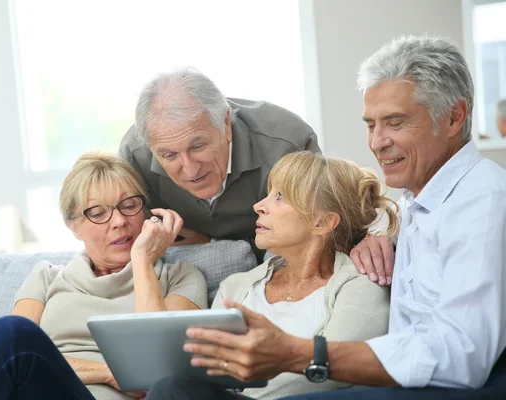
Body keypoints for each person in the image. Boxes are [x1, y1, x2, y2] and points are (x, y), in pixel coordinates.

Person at [146, 35, 506, 399]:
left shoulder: (483, 198)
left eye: (394, 123)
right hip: (402, 383)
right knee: (173, 388)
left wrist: (299, 353)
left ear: (453, 117)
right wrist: (384, 241)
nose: (377, 142)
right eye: (370, 125)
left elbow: (464, 356)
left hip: (439, 389)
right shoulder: (420, 201)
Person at [0, 152, 208, 400]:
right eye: (97, 212)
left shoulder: (181, 278)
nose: (119, 221)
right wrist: (110, 372)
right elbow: (15, 359)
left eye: (129, 205)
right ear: (74, 226)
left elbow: (156, 372)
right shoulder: (46, 277)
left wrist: (142, 260)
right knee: (14, 335)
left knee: (12, 335)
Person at [208, 150, 397, 399]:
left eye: (280, 196)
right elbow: (204, 367)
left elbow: (331, 374)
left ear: (323, 222)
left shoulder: (360, 285)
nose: (258, 206)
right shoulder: (235, 287)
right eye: (269, 193)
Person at [119, 67, 320, 260]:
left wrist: (215, 246)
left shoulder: (288, 144)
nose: (190, 170)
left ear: (225, 124)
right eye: (170, 156)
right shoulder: (135, 155)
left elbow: (314, 238)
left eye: (198, 146)